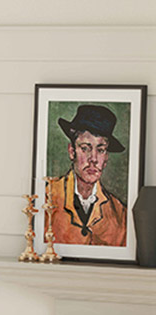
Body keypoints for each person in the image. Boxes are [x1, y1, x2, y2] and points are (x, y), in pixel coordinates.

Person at [48, 104, 127, 246]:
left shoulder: (119, 213)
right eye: (85, 148)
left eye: (101, 150)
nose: (94, 159)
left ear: (106, 158)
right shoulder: (48, 196)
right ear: (72, 151)